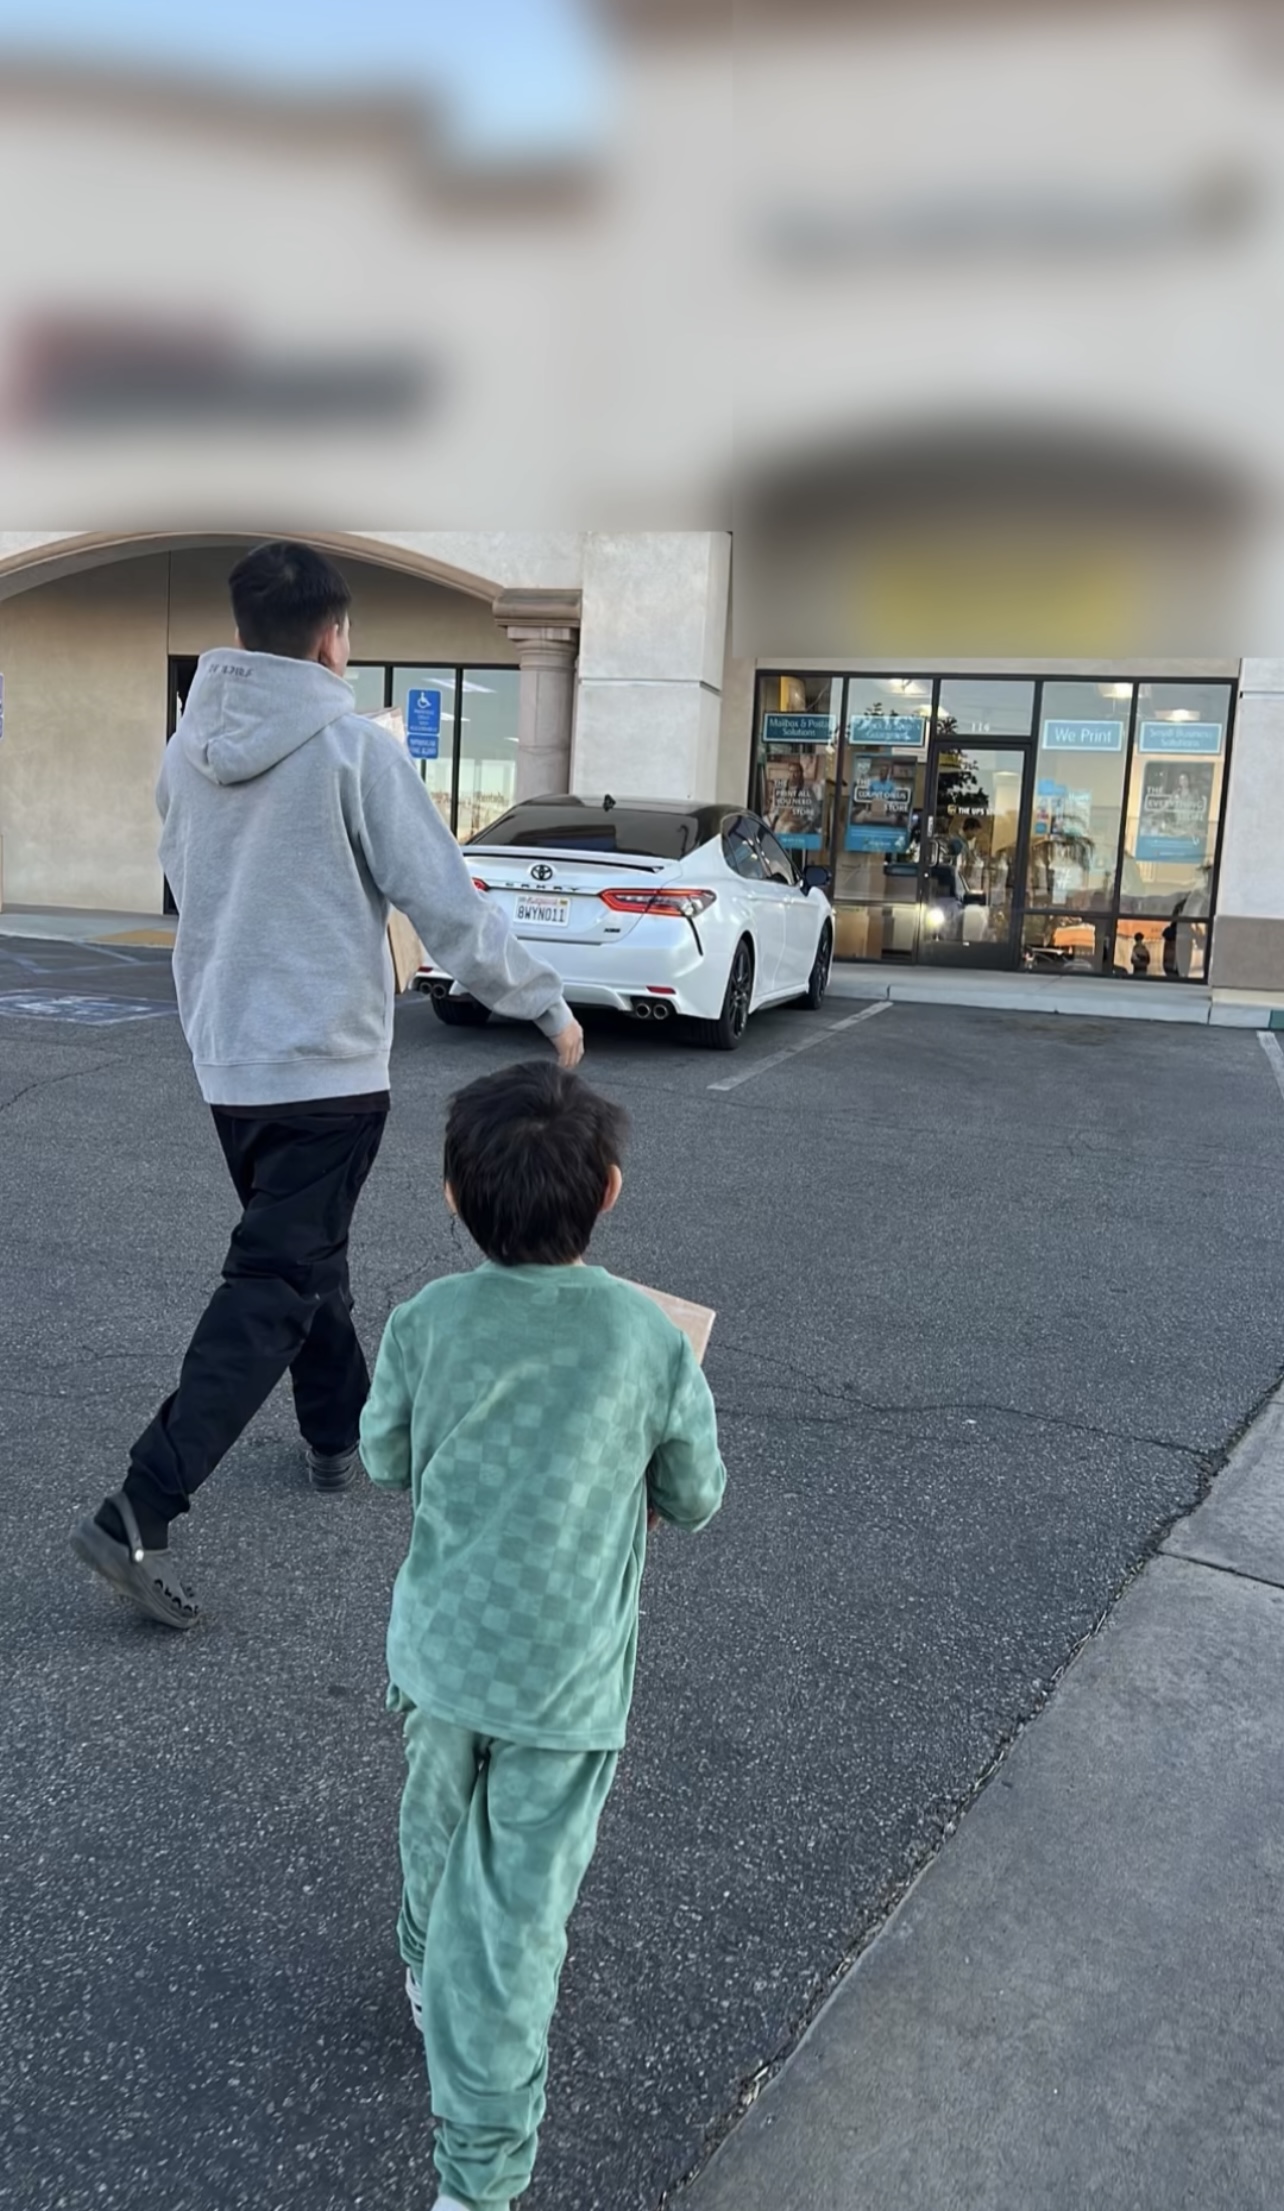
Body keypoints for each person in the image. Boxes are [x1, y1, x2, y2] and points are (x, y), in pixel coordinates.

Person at [71, 541, 583, 1630]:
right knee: (275, 1278)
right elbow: (443, 897)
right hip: (328, 1068)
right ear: (331, 640)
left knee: (306, 1257)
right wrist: (543, 1002)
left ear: (242, 634)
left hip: (230, 1061)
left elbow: (190, 882)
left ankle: (332, 1434)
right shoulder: (353, 750)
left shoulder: (185, 753)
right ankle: (140, 1507)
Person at [360, 1061, 725, 2211]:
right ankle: (477, 2180)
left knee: (434, 1813)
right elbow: (695, 1494)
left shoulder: (425, 1322)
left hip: (441, 1652)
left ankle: (422, 1964)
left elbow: (383, 1457)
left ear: (453, 1196)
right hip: (564, 1685)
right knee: (513, 1925)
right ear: (609, 1191)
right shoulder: (646, 1339)